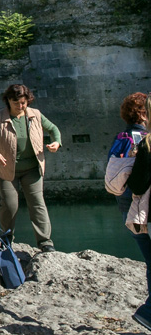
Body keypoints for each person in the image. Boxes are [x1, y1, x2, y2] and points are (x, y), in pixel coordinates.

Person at [0, 83, 61, 252]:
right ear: (9, 101)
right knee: (10, 205)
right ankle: (6, 239)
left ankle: (45, 242)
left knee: (37, 203)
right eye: (17, 103)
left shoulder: (35, 115)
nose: (21, 106)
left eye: (23, 103)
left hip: (32, 168)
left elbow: (53, 129)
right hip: (6, 170)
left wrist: (56, 142)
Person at [110, 92, 151, 328]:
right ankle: (148, 312)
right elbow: (139, 180)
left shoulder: (121, 136)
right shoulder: (142, 138)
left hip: (127, 205)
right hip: (141, 203)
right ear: (143, 113)